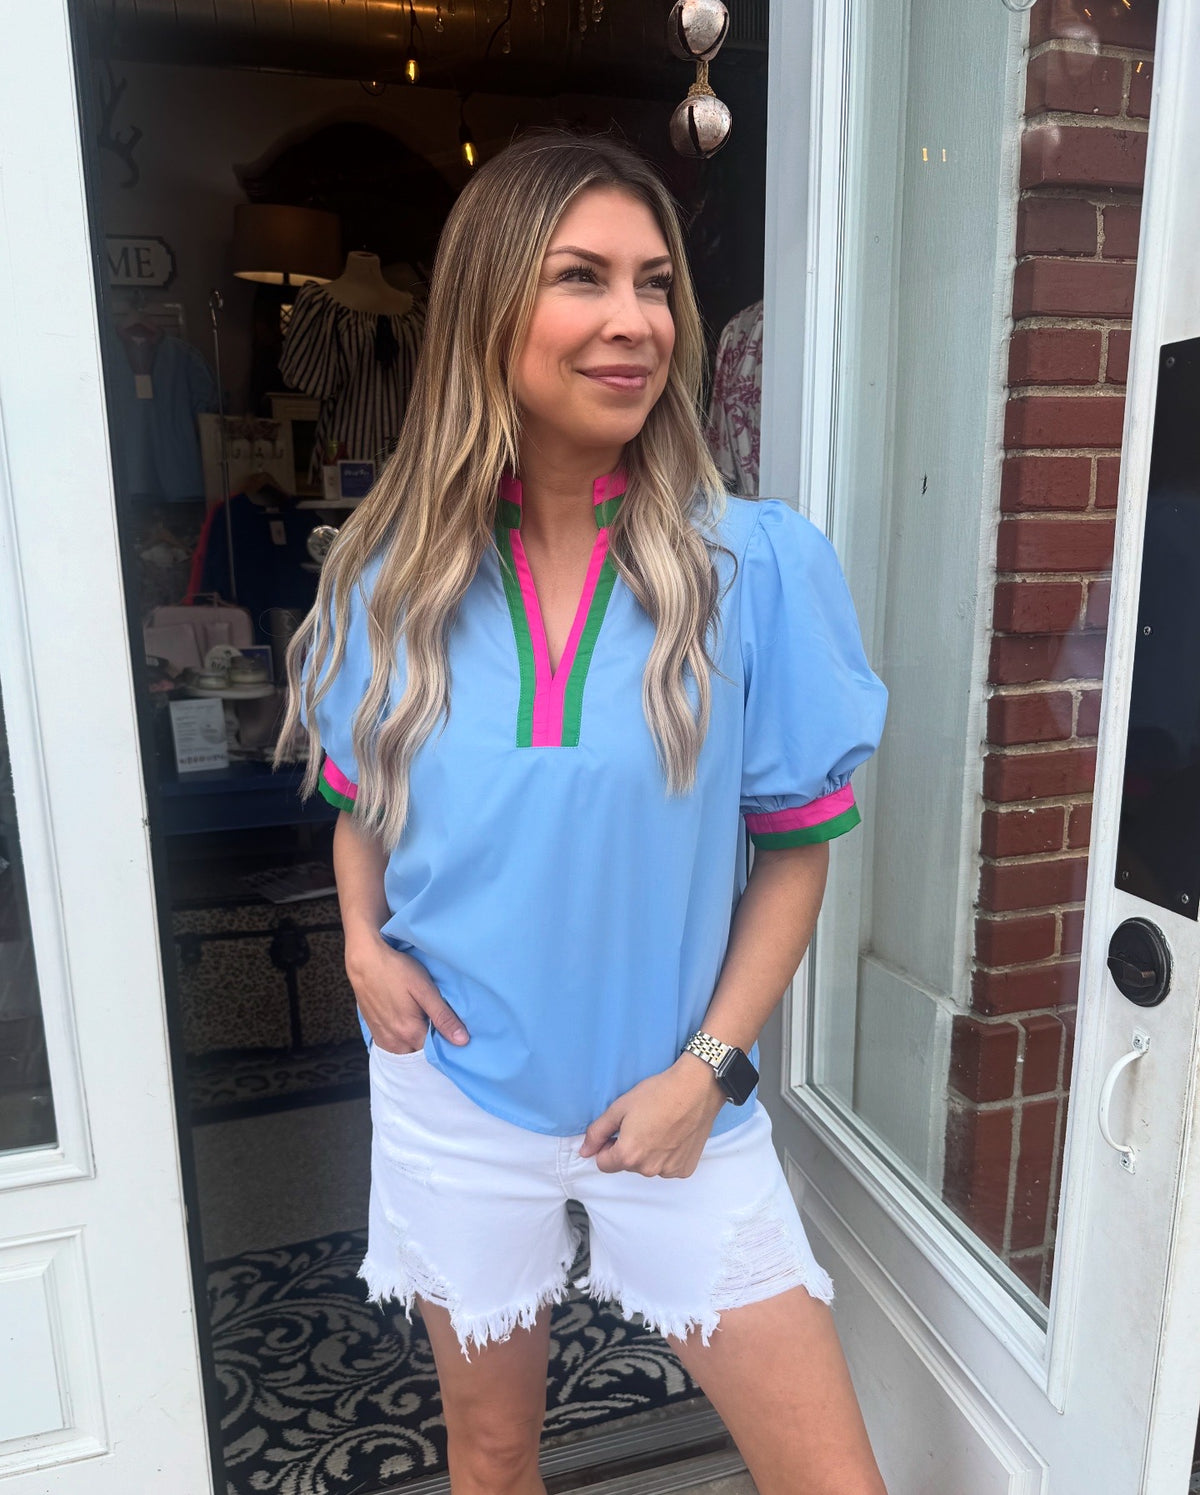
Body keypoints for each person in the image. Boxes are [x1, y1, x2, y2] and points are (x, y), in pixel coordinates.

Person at [279, 129, 889, 1495]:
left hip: (678, 1106)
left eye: (655, 283)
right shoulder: (392, 577)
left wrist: (709, 1073)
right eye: (582, 278)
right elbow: (365, 802)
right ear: (489, 310)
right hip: (455, 1100)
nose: (636, 321)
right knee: (494, 1457)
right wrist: (362, 940)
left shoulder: (753, 568)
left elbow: (795, 855)